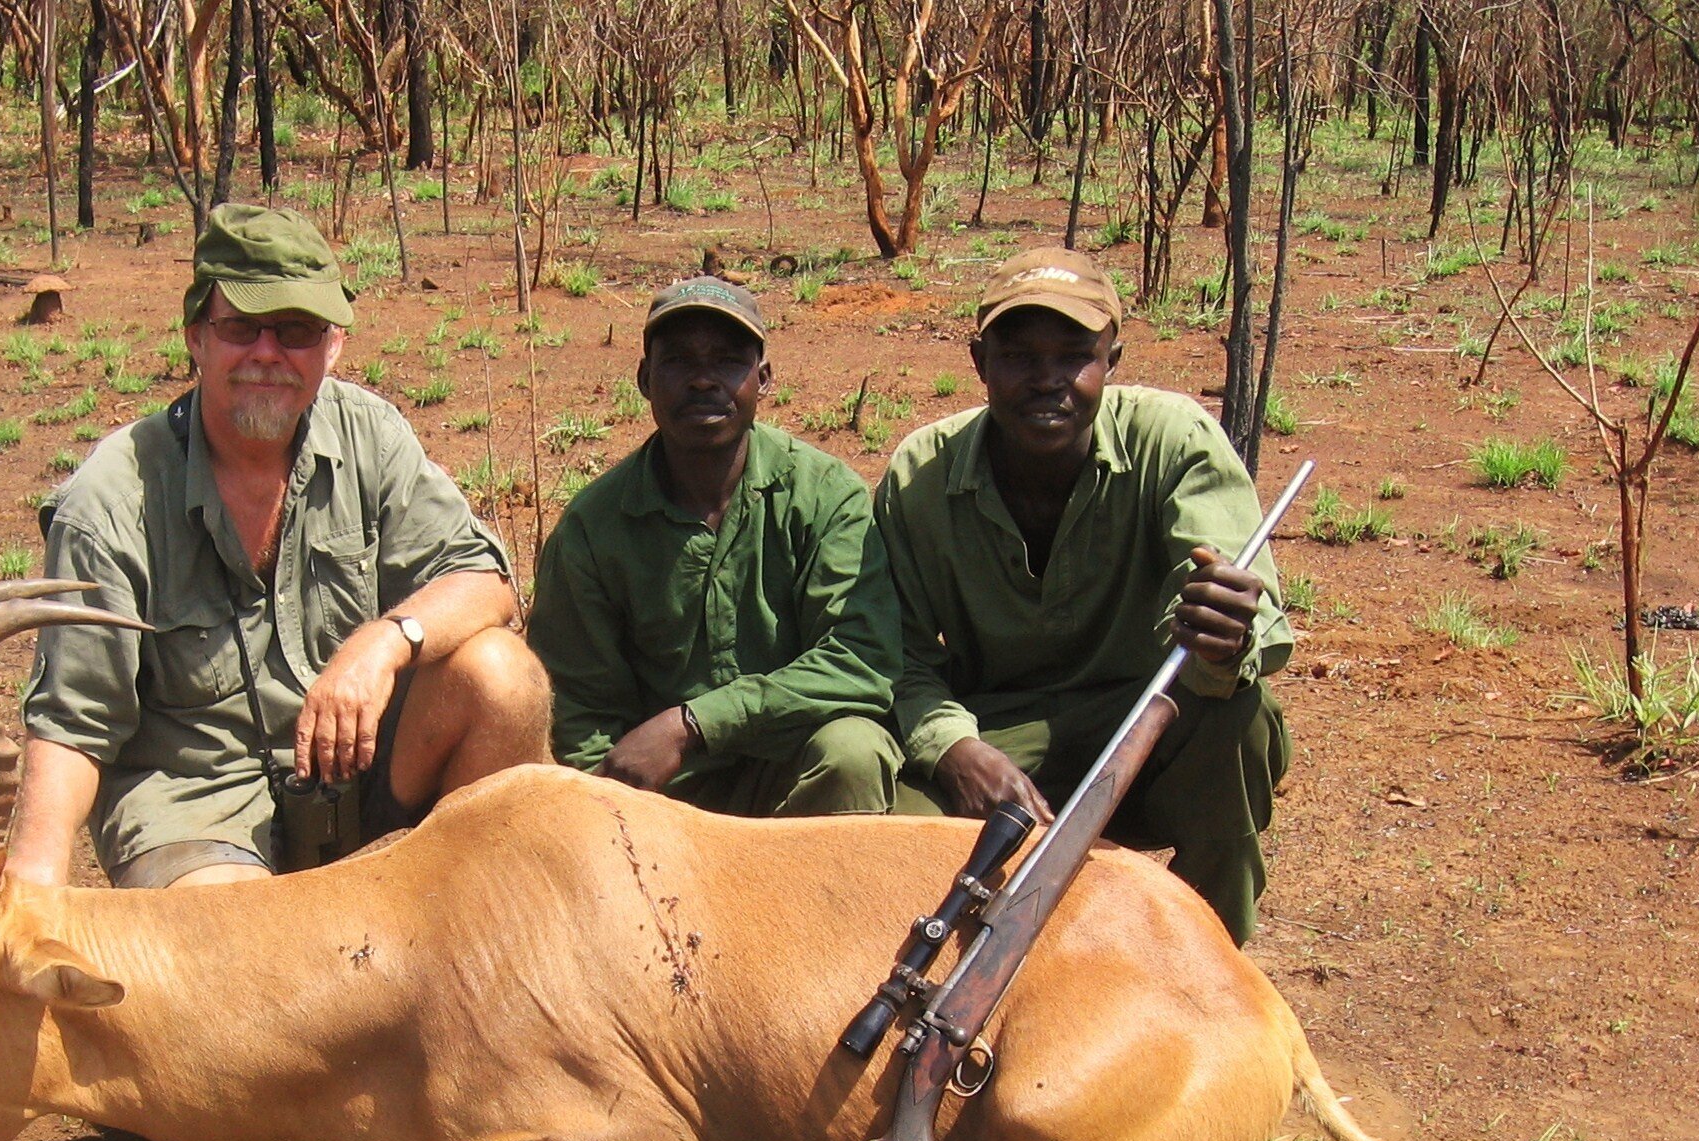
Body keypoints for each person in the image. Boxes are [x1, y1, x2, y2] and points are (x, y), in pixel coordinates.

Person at [10, 204, 550, 889]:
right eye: (240, 328)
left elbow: (484, 578)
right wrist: (30, 893)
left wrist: (381, 644)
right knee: (241, 962)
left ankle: (466, 935)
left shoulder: (369, 435)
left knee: (502, 676)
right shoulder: (110, 503)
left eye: (296, 330)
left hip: (358, 776)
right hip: (201, 807)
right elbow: (72, 723)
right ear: (196, 338)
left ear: (332, 346)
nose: (267, 353)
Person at [878, 246, 1294, 943]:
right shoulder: (921, 472)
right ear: (980, 363)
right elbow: (894, 653)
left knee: (1240, 720)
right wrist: (954, 749)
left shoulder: (1175, 440)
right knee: (879, 820)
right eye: (1019, 357)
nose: (1049, 381)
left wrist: (1224, 638)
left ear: (1113, 360)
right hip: (993, 737)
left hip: (1144, 731)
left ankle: (1209, 961)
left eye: (1074, 355)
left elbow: (1241, 615)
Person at [526, 278, 903, 816]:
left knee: (854, 752)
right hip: (668, 796)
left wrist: (695, 723)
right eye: (678, 362)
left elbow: (861, 660)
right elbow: (580, 714)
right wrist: (619, 803)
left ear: (763, 379)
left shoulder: (825, 495)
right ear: (644, 379)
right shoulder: (594, 527)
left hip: (793, 767)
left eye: (727, 361)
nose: (703, 381)